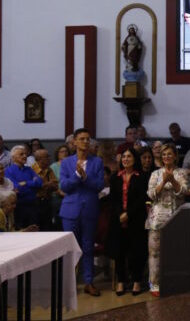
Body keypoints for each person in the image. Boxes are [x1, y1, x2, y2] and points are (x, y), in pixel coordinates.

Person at [59, 127, 105, 297]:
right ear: (75, 142)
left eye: (88, 139)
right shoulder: (66, 162)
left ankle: (88, 281)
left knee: (87, 247)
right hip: (70, 209)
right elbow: (64, 186)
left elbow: (99, 185)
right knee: (70, 248)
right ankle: (68, 283)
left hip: (90, 209)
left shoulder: (97, 162)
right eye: (82, 139)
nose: (86, 142)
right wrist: (77, 177)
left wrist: (85, 177)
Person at [146, 143, 188, 296]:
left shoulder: (182, 173)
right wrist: (164, 181)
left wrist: (173, 180)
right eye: (164, 155)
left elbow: (184, 192)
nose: (166, 157)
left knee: (176, 251)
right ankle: (155, 283)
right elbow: (151, 195)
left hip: (177, 217)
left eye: (170, 154)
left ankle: (176, 281)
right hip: (158, 218)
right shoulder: (155, 174)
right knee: (155, 253)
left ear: (175, 156)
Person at [107, 148, 148, 296]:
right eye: (123, 156)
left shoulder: (142, 177)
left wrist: (128, 214)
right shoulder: (115, 177)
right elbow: (113, 199)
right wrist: (120, 214)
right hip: (118, 219)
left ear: (135, 159)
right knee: (120, 251)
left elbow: (142, 198)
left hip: (136, 218)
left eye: (129, 156)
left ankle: (137, 281)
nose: (125, 159)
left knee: (136, 251)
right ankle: (121, 281)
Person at [4, 145, 43, 229]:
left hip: (33, 206)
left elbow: (40, 183)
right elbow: (15, 187)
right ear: (13, 158)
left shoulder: (29, 169)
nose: (25, 156)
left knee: (35, 230)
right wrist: (32, 183)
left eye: (25, 154)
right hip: (18, 207)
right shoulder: (8, 171)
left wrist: (25, 183)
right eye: (21, 154)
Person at [32, 148, 58, 231]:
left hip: (47, 202)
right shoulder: (31, 170)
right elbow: (33, 186)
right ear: (40, 159)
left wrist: (45, 185)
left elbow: (55, 186)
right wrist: (47, 184)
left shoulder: (49, 170)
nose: (49, 158)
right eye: (47, 156)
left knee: (48, 227)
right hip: (35, 203)